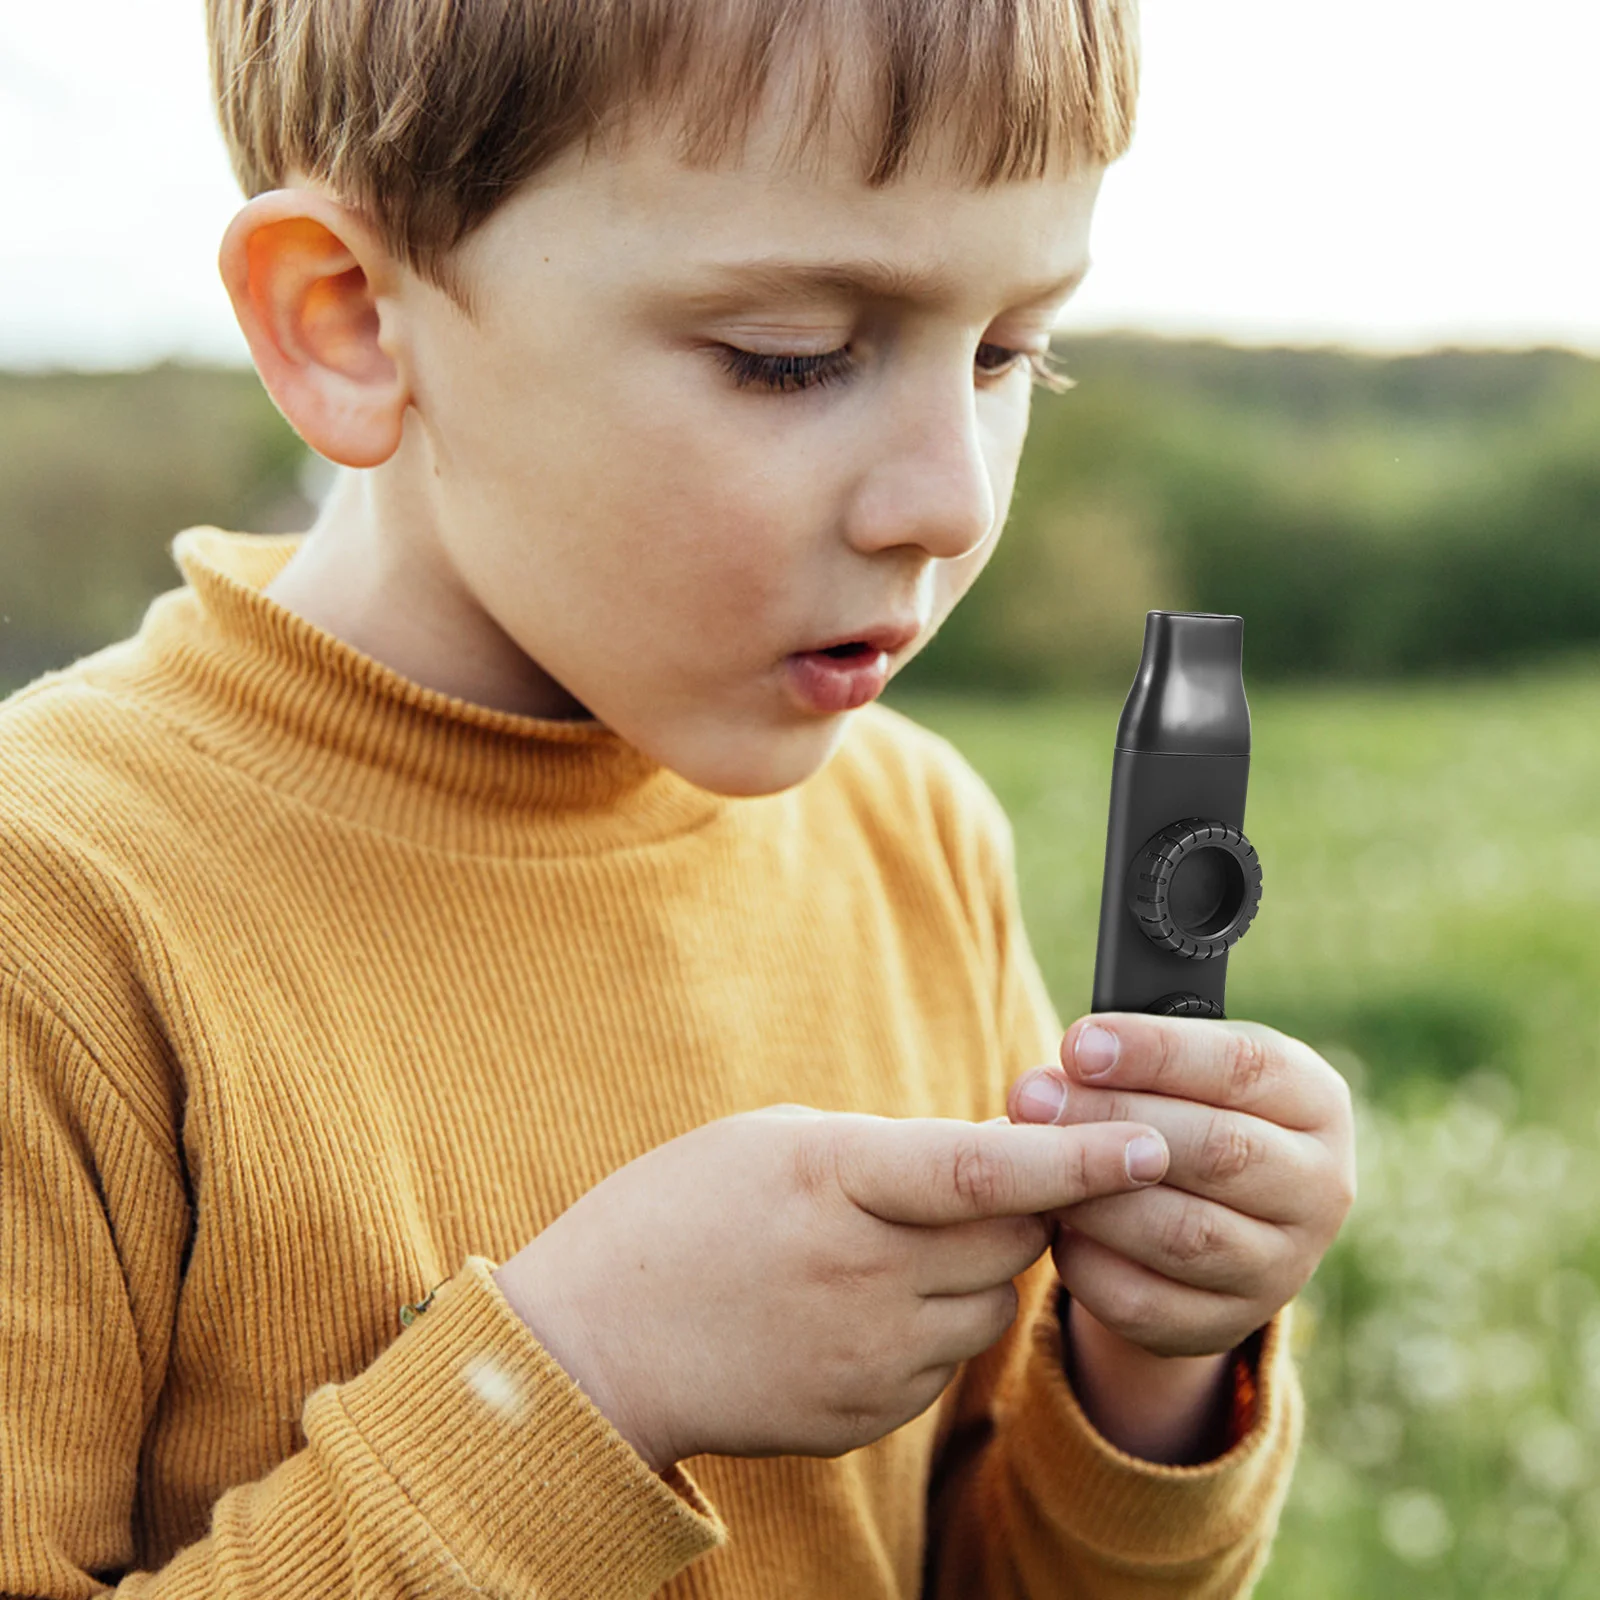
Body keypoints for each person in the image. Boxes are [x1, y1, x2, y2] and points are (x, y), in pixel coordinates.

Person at [0, 0, 1356, 1594]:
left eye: (1009, 353)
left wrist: (1151, 1367)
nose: (953, 498)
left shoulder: (915, 834)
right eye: (790, 356)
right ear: (350, 322)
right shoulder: (54, 906)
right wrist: (577, 1383)